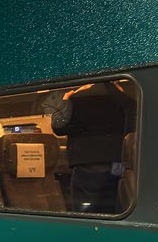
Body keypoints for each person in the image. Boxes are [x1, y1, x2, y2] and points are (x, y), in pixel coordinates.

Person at [50, 82, 133, 213]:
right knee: (115, 205)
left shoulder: (78, 98)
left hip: (88, 165)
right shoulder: (123, 98)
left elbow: (59, 127)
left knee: (87, 211)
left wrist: (64, 101)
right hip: (119, 164)